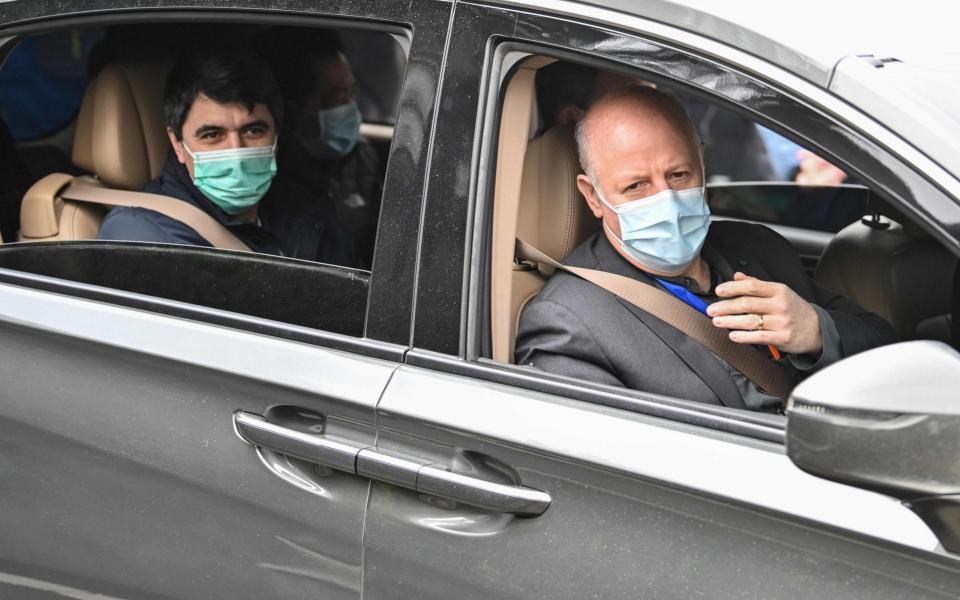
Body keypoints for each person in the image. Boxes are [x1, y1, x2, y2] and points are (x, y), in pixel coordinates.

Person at [514, 86, 895, 411]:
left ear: (702, 161)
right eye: (636, 186)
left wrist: (815, 331)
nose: (667, 200)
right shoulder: (567, 323)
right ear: (593, 197)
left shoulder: (759, 247)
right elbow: (621, 477)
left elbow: (891, 348)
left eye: (679, 175)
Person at [98, 51, 354, 266]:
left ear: (276, 135)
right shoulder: (143, 236)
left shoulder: (305, 210)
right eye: (212, 135)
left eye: (253, 130)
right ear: (177, 144)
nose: (236, 150)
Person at [260, 30, 384, 268]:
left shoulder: (363, 158)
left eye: (352, 94)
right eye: (338, 100)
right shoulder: (268, 179)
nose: (351, 109)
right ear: (294, 112)